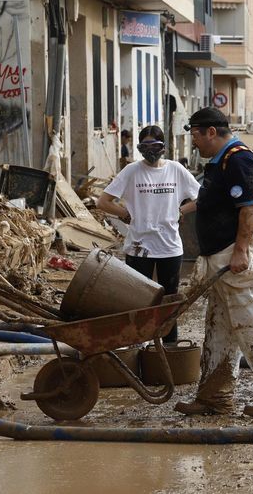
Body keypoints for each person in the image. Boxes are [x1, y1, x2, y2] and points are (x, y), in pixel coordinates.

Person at [175, 107, 253, 416]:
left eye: (195, 134)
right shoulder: (221, 161)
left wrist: (241, 250)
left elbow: (251, 208)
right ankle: (214, 398)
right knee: (219, 329)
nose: (194, 141)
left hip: (237, 260)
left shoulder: (238, 160)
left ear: (211, 132)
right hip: (222, 261)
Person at [97, 125, 199, 343]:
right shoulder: (132, 171)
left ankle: (169, 347)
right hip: (138, 247)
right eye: (145, 145)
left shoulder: (175, 170)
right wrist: (124, 213)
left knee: (169, 302)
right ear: (139, 147)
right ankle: (140, 347)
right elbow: (103, 201)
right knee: (138, 301)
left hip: (169, 247)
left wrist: (181, 211)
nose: (150, 150)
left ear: (163, 147)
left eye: (155, 145)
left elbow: (201, 198)